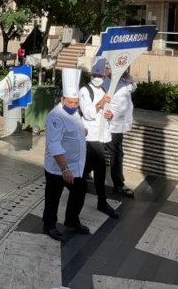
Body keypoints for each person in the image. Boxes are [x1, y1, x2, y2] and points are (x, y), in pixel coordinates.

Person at [42, 68, 89, 242]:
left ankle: (71, 220)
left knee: (80, 191)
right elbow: (54, 144)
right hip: (59, 168)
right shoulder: (56, 116)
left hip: (75, 166)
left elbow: (73, 128)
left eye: (76, 103)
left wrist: (81, 131)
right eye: (70, 103)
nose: (73, 106)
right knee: (53, 197)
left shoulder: (74, 111)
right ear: (62, 100)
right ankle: (49, 225)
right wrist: (65, 169)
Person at [79, 58, 119, 219]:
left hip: (102, 136)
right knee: (100, 167)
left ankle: (75, 185)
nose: (98, 77)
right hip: (91, 136)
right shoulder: (84, 91)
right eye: (95, 74)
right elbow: (88, 113)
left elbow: (107, 113)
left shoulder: (103, 90)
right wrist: (102, 103)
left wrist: (110, 115)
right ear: (91, 75)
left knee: (90, 168)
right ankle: (101, 201)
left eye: (100, 75)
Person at [105, 69, 137, 198]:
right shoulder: (105, 83)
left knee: (116, 153)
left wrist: (127, 76)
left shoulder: (124, 81)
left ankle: (84, 175)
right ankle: (118, 185)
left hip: (119, 126)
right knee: (114, 153)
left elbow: (133, 87)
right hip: (109, 125)